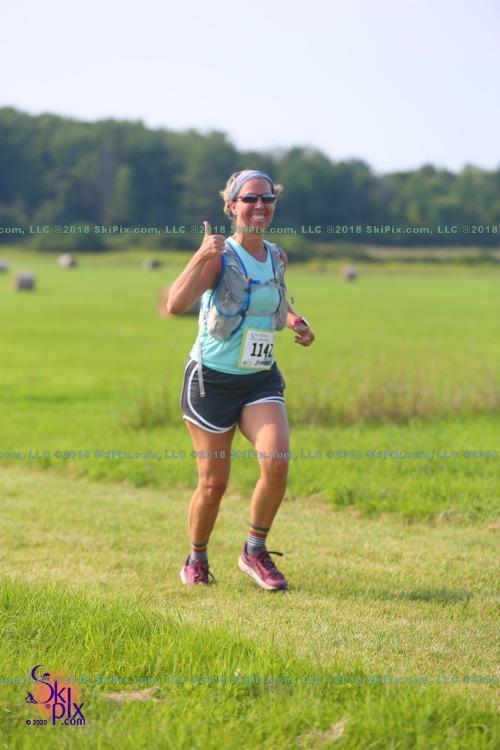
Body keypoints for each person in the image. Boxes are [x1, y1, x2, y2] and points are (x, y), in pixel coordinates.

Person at [167, 169, 315, 590]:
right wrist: (199, 256)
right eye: (249, 199)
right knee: (214, 484)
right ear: (231, 206)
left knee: (277, 462)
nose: (259, 206)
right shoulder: (220, 256)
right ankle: (196, 558)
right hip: (211, 383)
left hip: (259, 380)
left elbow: (274, 299)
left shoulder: (277, 256)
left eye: (267, 198)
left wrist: (296, 321)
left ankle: (254, 552)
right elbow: (175, 304)